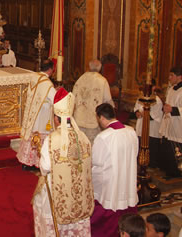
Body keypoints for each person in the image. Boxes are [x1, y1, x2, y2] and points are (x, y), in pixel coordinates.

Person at [32, 88, 94, 236]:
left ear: (55, 118)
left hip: (57, 191)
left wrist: (41, 156)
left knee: (43, 206)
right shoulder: (83, 137)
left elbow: (45, 168)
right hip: (78, 191)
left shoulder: (52, 139)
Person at [90, 103, 139, 237]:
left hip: (111, 182)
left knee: (107, 196)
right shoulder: (131, 131)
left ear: (101, 117)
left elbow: (96, 161)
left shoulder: (104, 137)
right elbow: (135, 153)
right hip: (127, 175)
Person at [17, 60, 56, 170]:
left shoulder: (34, 77)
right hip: (42, 116)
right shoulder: (47, 84)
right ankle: (37, 163)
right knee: (40, 136)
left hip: (32, 114)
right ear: (50, 70)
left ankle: (26, 162)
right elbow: (54, 99)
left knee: (31, 136)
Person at [159, 66, 182, 179]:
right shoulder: (172, 89)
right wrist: (165, 108)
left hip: (180, 125)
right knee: (168, 149)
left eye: (172, 75)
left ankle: (178, 173)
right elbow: (168, 103)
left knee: (178, 150)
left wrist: (172, 109)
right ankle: (169, 171)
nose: (169, 78)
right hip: (170, 123)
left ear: (179, 76)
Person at [72, 59, 114, 144]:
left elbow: (73, 97)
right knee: (92, 147)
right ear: (100, 68)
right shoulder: (102, 80)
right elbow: (108, 100)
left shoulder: (80, 79)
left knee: (80, 146)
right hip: (93, 121)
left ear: (89, 67)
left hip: (78, 119)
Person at [133, 80, 163, 169]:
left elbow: (154, 116)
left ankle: (151, 168)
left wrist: (144, 113)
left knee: (151, 151)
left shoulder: (156, 100)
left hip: (152, 130)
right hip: (141, 127)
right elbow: (136, 108)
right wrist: (137, 113)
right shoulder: (141, 97)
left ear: (153, 87)